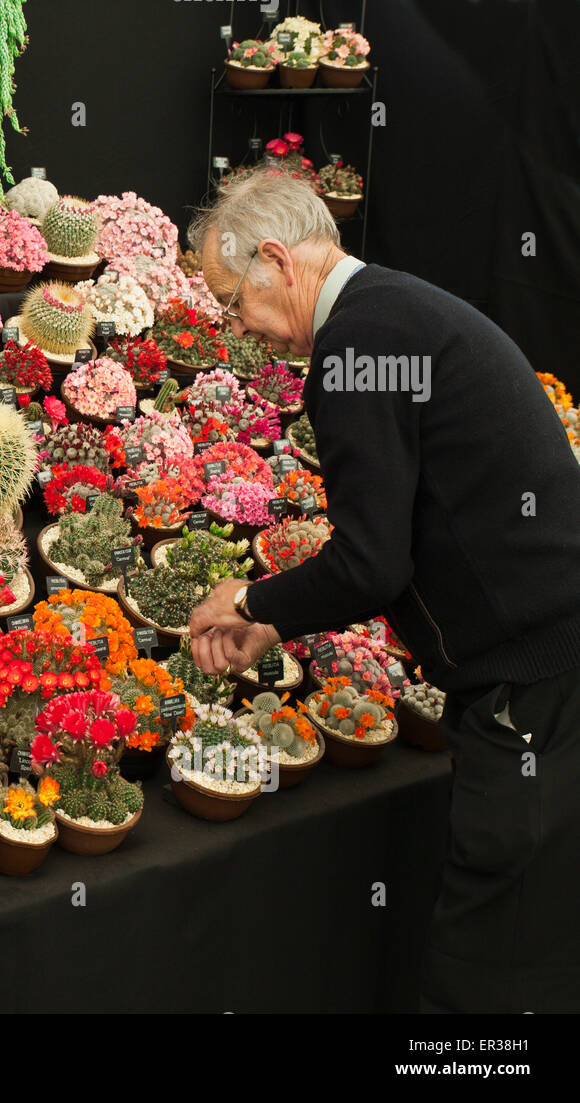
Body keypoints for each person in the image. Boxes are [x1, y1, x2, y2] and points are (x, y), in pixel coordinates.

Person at [184, 170, 580, 1013]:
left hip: (539, 686)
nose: (240, 329)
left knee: (492, 958)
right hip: (550, 664)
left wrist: (252, 604)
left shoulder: (358, 350)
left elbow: (371, 564)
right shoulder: (394, 312)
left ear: (276, 261)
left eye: (234, 301)